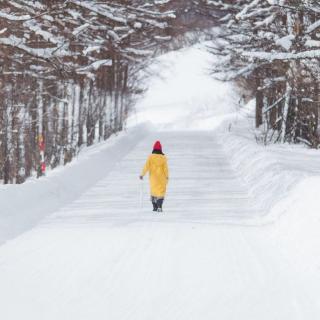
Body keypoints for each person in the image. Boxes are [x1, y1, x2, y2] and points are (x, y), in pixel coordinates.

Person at [140, 141, 169, 212]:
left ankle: (155, 207)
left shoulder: (150, 157)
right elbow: (166, 169)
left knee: (153, 192)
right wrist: (167, 177)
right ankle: (159, 206)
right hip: (161, 178)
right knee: (160, 192)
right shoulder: (163, 158)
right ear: (160, 149)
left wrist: (142, 174)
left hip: (153, 178)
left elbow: (146, 166)